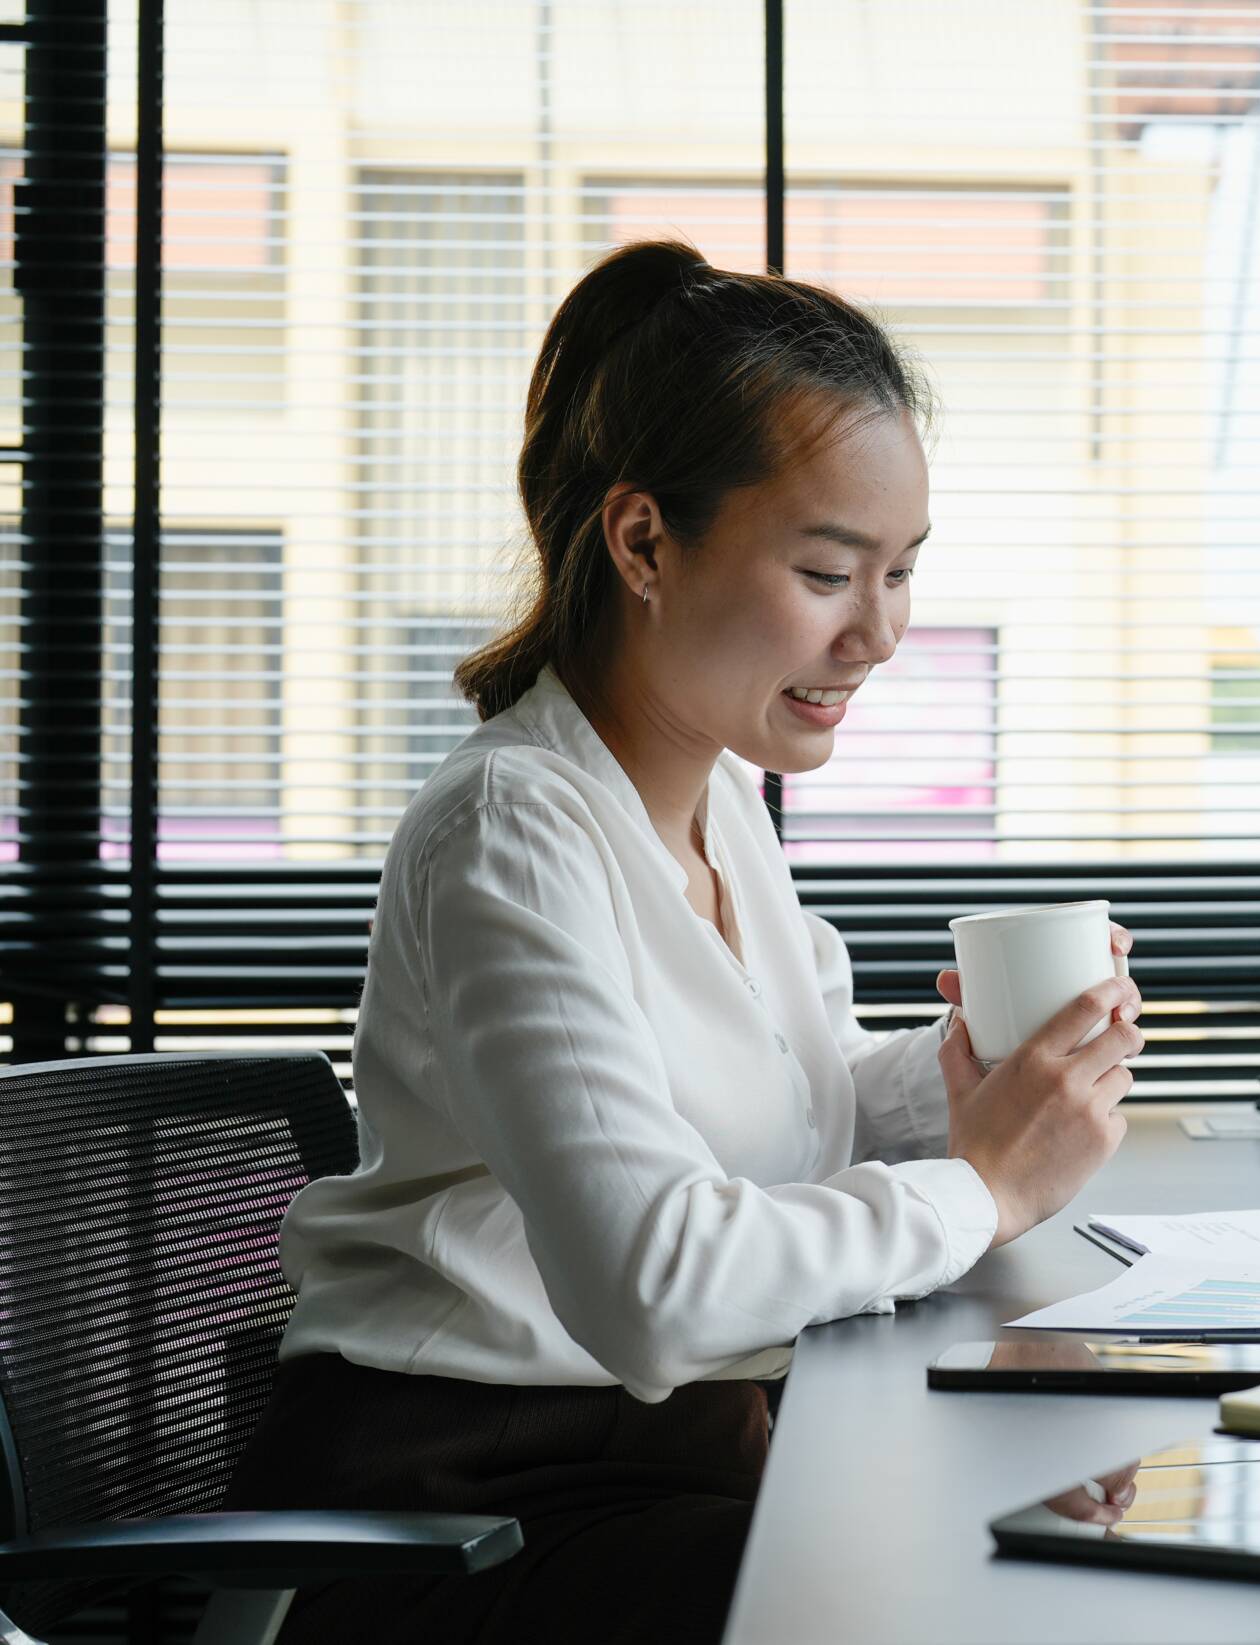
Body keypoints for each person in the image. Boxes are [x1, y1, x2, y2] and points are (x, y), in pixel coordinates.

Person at [225, 238, 1145, 1644]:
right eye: (832, 571)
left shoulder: (717, 798)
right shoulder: (510, 831)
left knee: (1017, 1554)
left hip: (653, 1468)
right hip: (445, 1527)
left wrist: (975, 1078)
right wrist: (980, 1185)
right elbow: (654, 1283)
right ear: (643, 542)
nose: (882, 633)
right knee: (959, 1594)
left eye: (901, 573)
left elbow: (789, 1118)